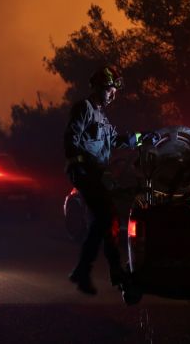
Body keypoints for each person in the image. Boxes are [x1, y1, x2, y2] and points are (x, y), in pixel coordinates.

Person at [64, 65, 159, 295]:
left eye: (115, 90)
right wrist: (82, 169)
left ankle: (87, 272)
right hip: (87, 174)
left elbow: (115, 141)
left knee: (104, 222)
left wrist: (141, 137)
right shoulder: (84, 108)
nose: (113, 94)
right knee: (107, 219)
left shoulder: (102, 116)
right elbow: (71, 140)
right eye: (110, 89)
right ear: (98, 88)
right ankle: (108, 272)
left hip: (96, 174)